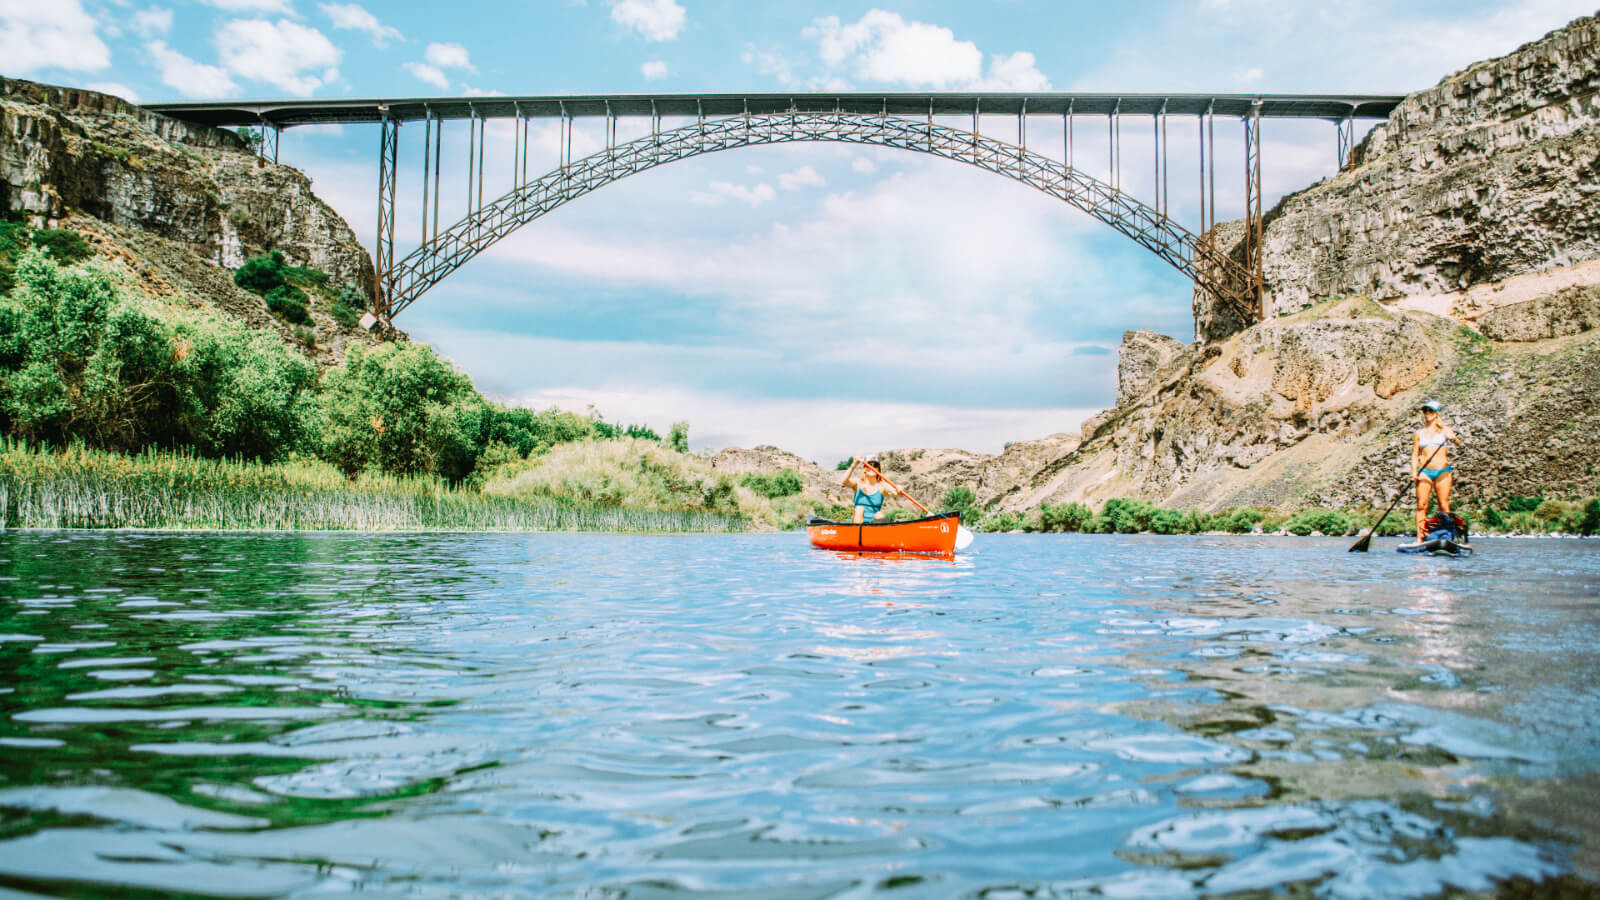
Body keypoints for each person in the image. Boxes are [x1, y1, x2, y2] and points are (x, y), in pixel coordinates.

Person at [1413, 399, 1458, 542]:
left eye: (1430, 411)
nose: (1427, 413)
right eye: (1425, 411)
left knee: (1443, 503)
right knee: (1422, 505)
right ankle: (1420, 537)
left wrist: (1452, 438)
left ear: (1437, 413)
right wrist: (1414, 472)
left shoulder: (1445, 430)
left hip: (1442, 471)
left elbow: (1457, 442)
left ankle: (1448, 535)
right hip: (1424, 471)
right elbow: (1415, 454)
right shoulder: (1419, 433)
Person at [840, 455, 906, 524]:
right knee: (859, 509)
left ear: (878, 469)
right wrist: (853, 465)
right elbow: (843, 481)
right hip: (857, 523)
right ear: (864, 469)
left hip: (873, 524)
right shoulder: (858, 482)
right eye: (869, 465)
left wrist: (900, 490)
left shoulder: (882, 486)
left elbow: (897, 494)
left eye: (875, 465)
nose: (872, 467)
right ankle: (856, 532)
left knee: (879, 515)